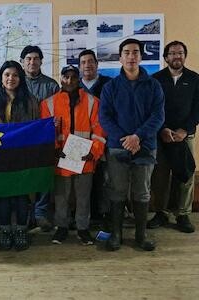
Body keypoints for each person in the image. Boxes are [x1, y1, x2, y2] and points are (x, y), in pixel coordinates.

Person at [99, 39, 164, 251]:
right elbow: (105, 118)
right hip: (118, 146)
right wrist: (126, 139)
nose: (131, 56)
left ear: (141, 56)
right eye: (126, 52)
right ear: (120, 57)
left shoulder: (154, 85)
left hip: (145, 146)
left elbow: (158, 116)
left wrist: (137, 137)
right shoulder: (111, 87)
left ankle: (141, 235)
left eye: (135, 52)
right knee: (117, 190)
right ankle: (116, 235)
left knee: (142, 191)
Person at [41, 65, 106, 245]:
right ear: (60, 79)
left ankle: (83, 229)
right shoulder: (48, 103)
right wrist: (54, 150)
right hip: (60, 157)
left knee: (83, 196)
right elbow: (45, 131)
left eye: (73, 77)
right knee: (61, 196)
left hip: (85, 159)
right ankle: (61, 228)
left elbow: (99, 130)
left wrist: (94, 152)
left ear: (78, 79)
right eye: (66, 77)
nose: (69, 81)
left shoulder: (93, 102)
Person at [0, 60, 39, 251]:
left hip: (23, 157)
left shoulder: (30, 100)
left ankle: (21, 230)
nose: (11, 79)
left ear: (20, 78)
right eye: (7, 75)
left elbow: (36, 126)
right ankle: (5, 230)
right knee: (3, 195)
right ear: (1, 78)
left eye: (15, 75)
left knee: (22, 195)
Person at [148, 41, 199, 233]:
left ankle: (183, 214)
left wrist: (184, 130)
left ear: (184, 56)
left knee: (186, 175)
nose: (177, 56)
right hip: (161, 136)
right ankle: (161, 212)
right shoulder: (155, 79)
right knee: (160, 175)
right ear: (165, 57)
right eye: (172, 53)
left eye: (180, 53)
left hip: (185, 136)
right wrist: (162, 129)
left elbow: (197, 109)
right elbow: (152, 108)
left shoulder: (195, 79)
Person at [20, 45, 59, 232]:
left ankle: (41, 213)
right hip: (21, 140)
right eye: (28, 59)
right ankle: (26, 213)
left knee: (43, 175)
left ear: (41, 61)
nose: (32, 62)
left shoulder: (51, 85)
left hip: (44, 139)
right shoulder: (16, 83)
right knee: (25, 176)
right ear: (22, 62)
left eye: (36, 58)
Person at [78, 49, 112, 230]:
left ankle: (104, 214)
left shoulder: (108, 84)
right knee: (84, 180)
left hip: (104, 139)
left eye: (91, 61)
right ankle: (86, 216)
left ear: (97, 64)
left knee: (104, 178)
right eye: (83, 62)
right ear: (79, 67)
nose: (87, 65)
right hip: (80, 143)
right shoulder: (74, 87)